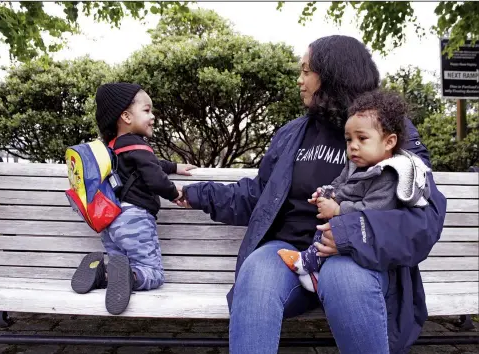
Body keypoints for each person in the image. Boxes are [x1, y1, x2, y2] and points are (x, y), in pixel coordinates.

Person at [176, 35, 447, 354]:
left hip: (359, 259)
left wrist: (349, 232)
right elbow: (259, 195)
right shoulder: (293, 134)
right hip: (291, 255)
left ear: (332, 75)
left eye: (306, 70)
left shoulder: (390, 131)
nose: (299, 79)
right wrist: (196, 194)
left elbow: (424, 218)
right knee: (257, 270)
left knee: (341, 275)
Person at [278, 89, 431, 293]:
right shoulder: (357, 163)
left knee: (329, 231)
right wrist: (327, 193)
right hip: (344, 227)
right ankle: (314, 272)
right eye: (349, 140)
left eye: (362, 138)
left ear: (389, 142)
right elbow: (340, 183)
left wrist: (338, 210)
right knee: (325, 229)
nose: (353, 147)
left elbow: (373, 210)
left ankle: (307, 263)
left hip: (363, 235)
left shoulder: (388, 175)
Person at [70, 83, 196, 315]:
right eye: (147, 110)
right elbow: (155, 178)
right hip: (134, 219)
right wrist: (176, 193)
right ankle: (132, 274)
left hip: (110, 220)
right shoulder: (138, 144)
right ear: (126, 117)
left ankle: (102, 273)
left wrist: (175, 166)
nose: (153, 116)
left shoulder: (112, 147)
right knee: (151, 273)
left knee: (120, 264)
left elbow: (151, 163)